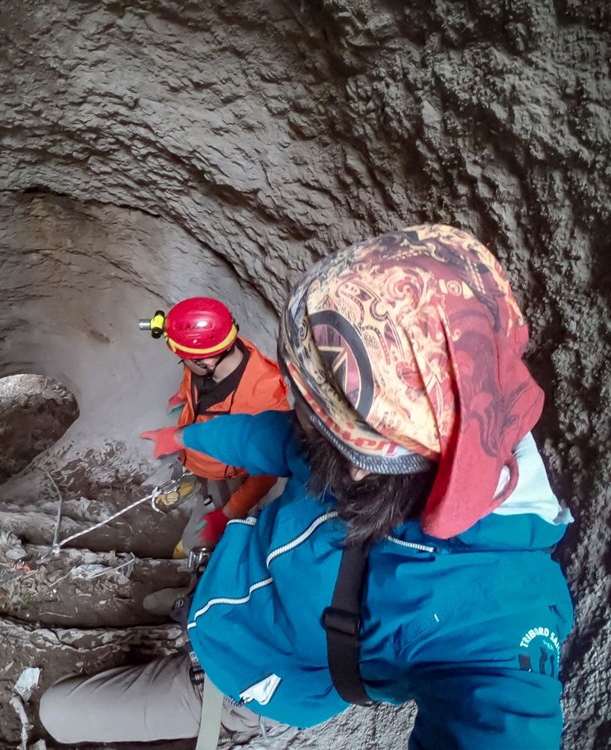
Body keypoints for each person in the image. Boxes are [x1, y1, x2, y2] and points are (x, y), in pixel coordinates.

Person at [39, 225, 574, 749]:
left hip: (251, 685)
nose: (298, 419)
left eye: (310, 412)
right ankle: (193, 605)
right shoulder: (380, 442)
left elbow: (505, 720)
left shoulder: (498, 615)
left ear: (365, 461)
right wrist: (186, 434)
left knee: (57, 713)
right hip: (238, 594)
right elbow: (277, 438)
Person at [140, 296, 290, 557]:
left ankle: (195, 553)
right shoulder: (217, 354)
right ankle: (193, 479)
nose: (182, 362)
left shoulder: (261, 399)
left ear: (205, 361)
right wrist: (182, 396)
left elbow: (266, 474)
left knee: (202, 541)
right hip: (199, 453)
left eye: (183, 357)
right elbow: (192, 377)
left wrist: (230, 512)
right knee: (197, 470)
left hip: (228, 476)